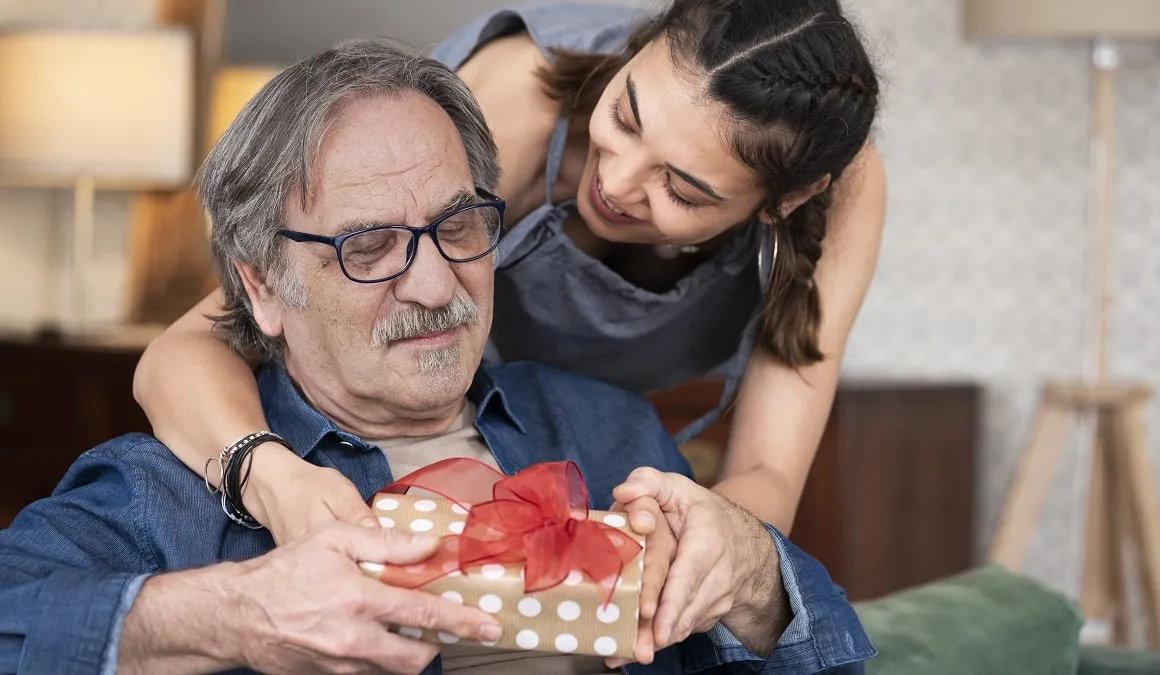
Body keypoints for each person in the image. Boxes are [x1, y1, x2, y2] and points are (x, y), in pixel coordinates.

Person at [0, 39, 874, 675]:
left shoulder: (608, 428)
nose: (433, 284)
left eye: (458, 226)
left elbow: (823, 648)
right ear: (260, 285)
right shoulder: (165, 486)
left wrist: (754, 575)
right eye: (370, 245)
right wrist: (232, 614)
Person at [133, 0, 885, 551]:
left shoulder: (845, 194)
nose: (617, 185)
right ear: (639, 45)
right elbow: (185, 349)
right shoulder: (515, 107)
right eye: (624, 117)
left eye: (683, 189)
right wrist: (273, 478)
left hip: (593, 452)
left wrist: (695, 548)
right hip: (398, 432)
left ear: (785, 201)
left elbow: (766, 474)